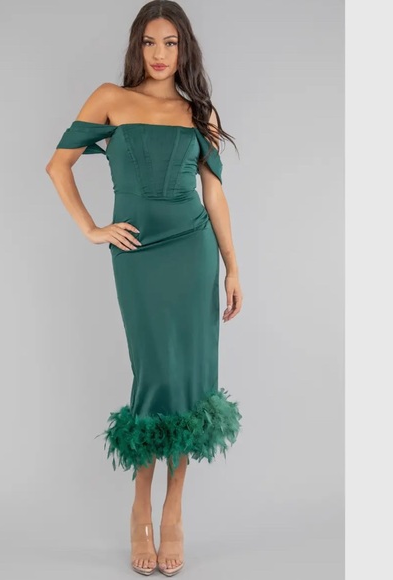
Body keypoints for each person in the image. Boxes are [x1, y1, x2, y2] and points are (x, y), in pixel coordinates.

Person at [45, 1, 243, 575]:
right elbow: (58, 165)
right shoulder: (110, 98)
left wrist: (232, 267)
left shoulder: (198, 111)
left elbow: (214, 193)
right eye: (151, 42)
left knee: (191, 376)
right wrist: (92, 228)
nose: (160, 54)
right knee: (154, 373)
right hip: (137, 255)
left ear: (185, 50)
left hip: (193, 250)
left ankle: (173, 508)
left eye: (171, 43)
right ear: (137, 46)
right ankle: (140, 504)